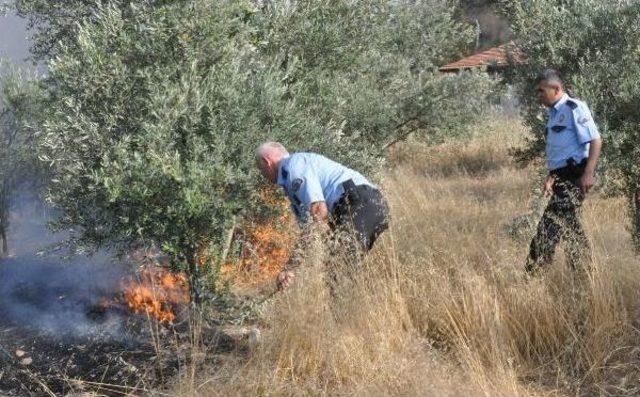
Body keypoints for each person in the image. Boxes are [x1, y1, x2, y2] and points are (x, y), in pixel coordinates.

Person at [256, 142, 389, 289]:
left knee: (338, 271)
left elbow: (319, 211)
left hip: (358, 204)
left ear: (266, 162)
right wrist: (290, 269)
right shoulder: (291, 180)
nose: (263, 175)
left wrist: (291, 267)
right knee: (340, 268)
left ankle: (344, 310)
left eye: (261, 170)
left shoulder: (293, 166)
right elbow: (310, 231)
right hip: (366, 205)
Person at [526, 69, 603, 273]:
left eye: (542, 91)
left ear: (556, 89)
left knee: (548, 227)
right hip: (561, 177)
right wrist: (551, 177)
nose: (539, 95)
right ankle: (585, 273)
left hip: (574, 177)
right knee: (570, 227)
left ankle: (532, 274)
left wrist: (589, 173)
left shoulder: (574, 108)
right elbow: (561, 151)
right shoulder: (553, 114)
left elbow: (596, 140)